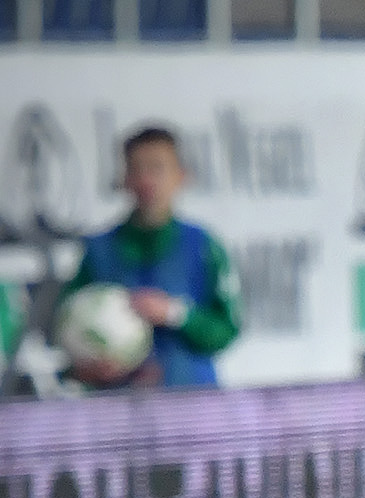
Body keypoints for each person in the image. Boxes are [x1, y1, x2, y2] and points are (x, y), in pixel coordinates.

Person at [58, 126, 239, 388]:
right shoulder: (98, 251)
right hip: (119, 403)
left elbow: (227, 329)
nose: (146, 180)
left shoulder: (203, 246)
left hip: (191, 400)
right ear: (124, 179)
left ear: (181, 176)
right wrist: (88, 368)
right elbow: (66, 328)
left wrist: (175, 313)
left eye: (157, 168)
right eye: (135, 169)